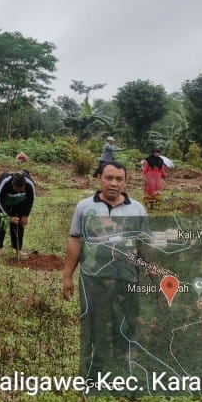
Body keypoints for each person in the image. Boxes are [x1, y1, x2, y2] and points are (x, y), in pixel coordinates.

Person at [62, 161, 148, 383]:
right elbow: (75, 239)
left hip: (126, 278)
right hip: (93, 279)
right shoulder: (84, 207)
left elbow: (144, 245)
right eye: (108, 178)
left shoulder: (137, 209)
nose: (113, 183)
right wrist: (67, 276)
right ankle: (94, 369)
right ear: (99, 178)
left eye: (119, 179)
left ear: (126, 182)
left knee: (126, 321)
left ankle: (124, 365)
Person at [0, 169, 36, 258]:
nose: (19, 190)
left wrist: (25, 215)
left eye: (21, 189)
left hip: (19, 200)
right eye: (16, 189)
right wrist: (8, 217)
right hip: (1, 200)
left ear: (24, 186)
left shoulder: (29, 185)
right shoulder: (4, 183)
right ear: (13, 184)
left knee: (19, 222)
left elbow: (30, 200)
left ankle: (18, 249)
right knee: (0, 221)